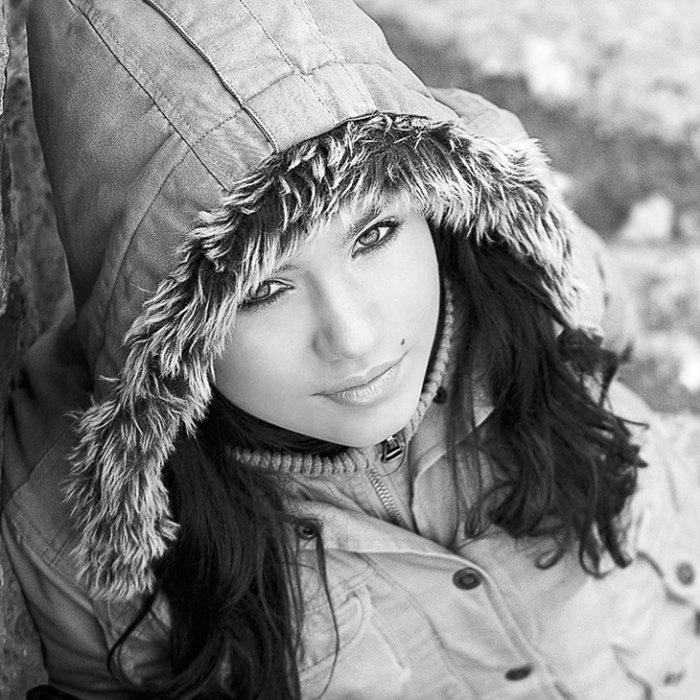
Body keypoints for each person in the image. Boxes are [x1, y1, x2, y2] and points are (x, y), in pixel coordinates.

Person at [2, 0, 700, 698]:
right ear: (166, 340)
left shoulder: (534, 277)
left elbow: (615, 345)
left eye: (374, 235)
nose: (354, 337)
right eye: (262, 291)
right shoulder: (81, 548)